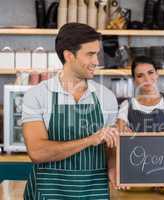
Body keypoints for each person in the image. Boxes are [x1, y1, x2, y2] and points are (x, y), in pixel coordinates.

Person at [21, 23, 119, 199]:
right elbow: (37, 152)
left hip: (94, 192)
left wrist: (113, 167)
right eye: (90, 54)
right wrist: (91, 139)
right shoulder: (37, 95)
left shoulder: (107, 97)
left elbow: (110, 146)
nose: (97, 61)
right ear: (69, 55)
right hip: (48, 193)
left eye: (97, 54)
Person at [116, 56, 164, 134]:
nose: (147, 79)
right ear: (134, 81)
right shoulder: (126, 105)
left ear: (157, 74)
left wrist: (134, 135)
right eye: (140, 76)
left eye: (150, 73)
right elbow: (120, 135)